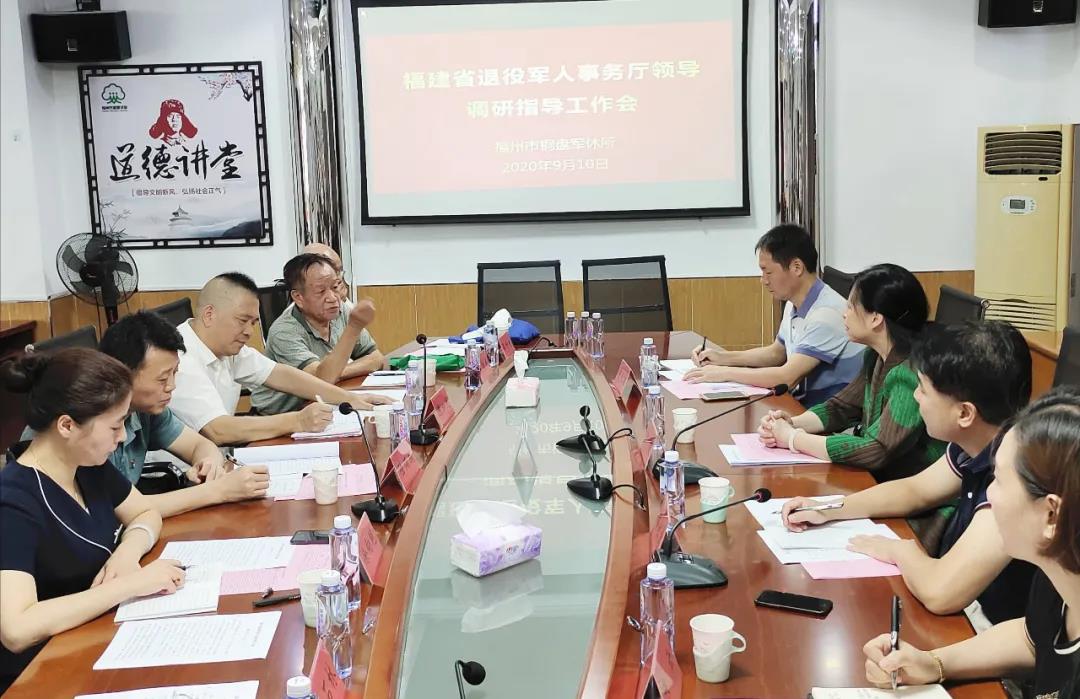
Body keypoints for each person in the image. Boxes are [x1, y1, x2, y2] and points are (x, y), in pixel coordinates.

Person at [781, 321, 1035, 623]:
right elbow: (915, 491)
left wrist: (898, 551)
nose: (915, 397)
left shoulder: (1015, 475)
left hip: (992, 627)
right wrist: (828, 508)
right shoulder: (979, 440)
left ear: (965, 413)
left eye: (924, 390)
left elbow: (942, 592)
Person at [862, 386, 1080, 699]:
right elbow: (1031, 638)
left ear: (1050, 515)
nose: (989, 494)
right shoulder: (1059, 568)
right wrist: (934, 663)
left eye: (999, 480)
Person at [0, 349, 185, 692]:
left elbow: (144, 512)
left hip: (98, 639)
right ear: (67, 425)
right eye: (115, 426)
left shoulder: (88, 465)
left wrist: (127, 553)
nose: (122, 437)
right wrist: (130, 585)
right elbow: (17, 628)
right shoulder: (13, 501)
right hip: (42, 673)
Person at [759, 263, 944, 481]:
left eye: (851, 307)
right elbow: (841, 407)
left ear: (875, 318)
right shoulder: (875, 355)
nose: (844, 315)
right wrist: (791, 423)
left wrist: (793, 439)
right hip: (878, 479)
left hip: (912, 490)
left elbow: (877, 449)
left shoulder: (910, 374)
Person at [169, 272, 392, 445]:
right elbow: (217, 430)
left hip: (222, 460)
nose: (249, 332)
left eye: (253, 323)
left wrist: (350, 399)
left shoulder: (226, 346)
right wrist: (298, 421)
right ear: (209, 315)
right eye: (242, 321)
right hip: (182, 478)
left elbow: (282, 375)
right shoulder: (179, 358)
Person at [97, 311, 270, 514]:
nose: (172, 386)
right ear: (122, 374)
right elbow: (121, 510)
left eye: (175, 373)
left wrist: (209, 464)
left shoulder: (146, 411)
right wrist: (219, 491)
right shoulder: (92, 426)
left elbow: (199, 445)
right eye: (162, 379)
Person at [685, 224, 864, 406]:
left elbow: (787, 377)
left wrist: (723, 373)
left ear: (796, 267)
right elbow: (777, 353)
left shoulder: (826, 314)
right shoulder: (794, 303)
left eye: (768, 272)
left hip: (829, 415)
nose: (763, 280)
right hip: (804, 407)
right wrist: (723, 358)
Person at [251, 254, 384, 415]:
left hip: (320, 407)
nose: (332, 298)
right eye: (321, 291)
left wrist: (338, 372)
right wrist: (354, 328)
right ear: (298, 297)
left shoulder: (341, 311)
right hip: (279, 417)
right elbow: (321, 382)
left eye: (335, 287)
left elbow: (376, 358)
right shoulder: (284, 332)